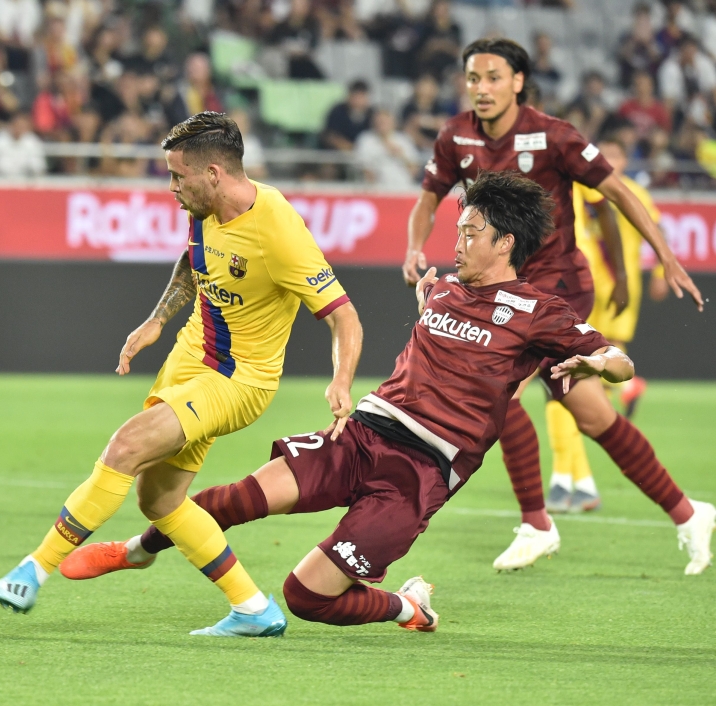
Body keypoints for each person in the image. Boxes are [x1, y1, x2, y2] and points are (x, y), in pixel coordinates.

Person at [63, 172, 714, 627]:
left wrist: (600, 360)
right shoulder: (448, 289)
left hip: (420, 472)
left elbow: (619, 362)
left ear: (504, 244)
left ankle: (408, 607)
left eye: (471, 231)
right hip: (365, 432)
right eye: (459, 228)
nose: (457, 239)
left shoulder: (540, 312)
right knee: (235, 500)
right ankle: (138, 551)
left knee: (304, 596)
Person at [0, 112, 362, 636]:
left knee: (125, 446)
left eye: (177, 176)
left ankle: (34, 568)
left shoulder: (278, 230)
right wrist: (157, 320)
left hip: (238, 380)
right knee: (158, 499)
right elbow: (193, 260)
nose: (171, 188)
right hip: (188, 359)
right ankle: (253, 608)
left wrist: (340, 380)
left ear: (213, 172)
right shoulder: (203, 206)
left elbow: (344, 315)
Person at [402, 39, 710, 574]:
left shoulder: (553, 135)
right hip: (502, 289)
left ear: (518, 81)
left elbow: (616, 191)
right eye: (474, 78)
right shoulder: (456, 136)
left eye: (493, 77)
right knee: (593, 417)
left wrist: (666, 256)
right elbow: (429, 197)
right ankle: (689, 514)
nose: (482, 88)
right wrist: (413, 245)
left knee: (499, 391)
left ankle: (536, 523)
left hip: (558, 288)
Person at [545, 137, 667, 513]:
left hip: (596, 288)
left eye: (615, 154)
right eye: (605, 154)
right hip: (594, 284)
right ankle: (569, 477)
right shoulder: (581, 186)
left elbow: (651, 228)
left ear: (625, 157)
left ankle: (569, 477)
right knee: (576, 375)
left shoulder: (628, 192)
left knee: (564, 378)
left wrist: (658, 270)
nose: (608, 160)